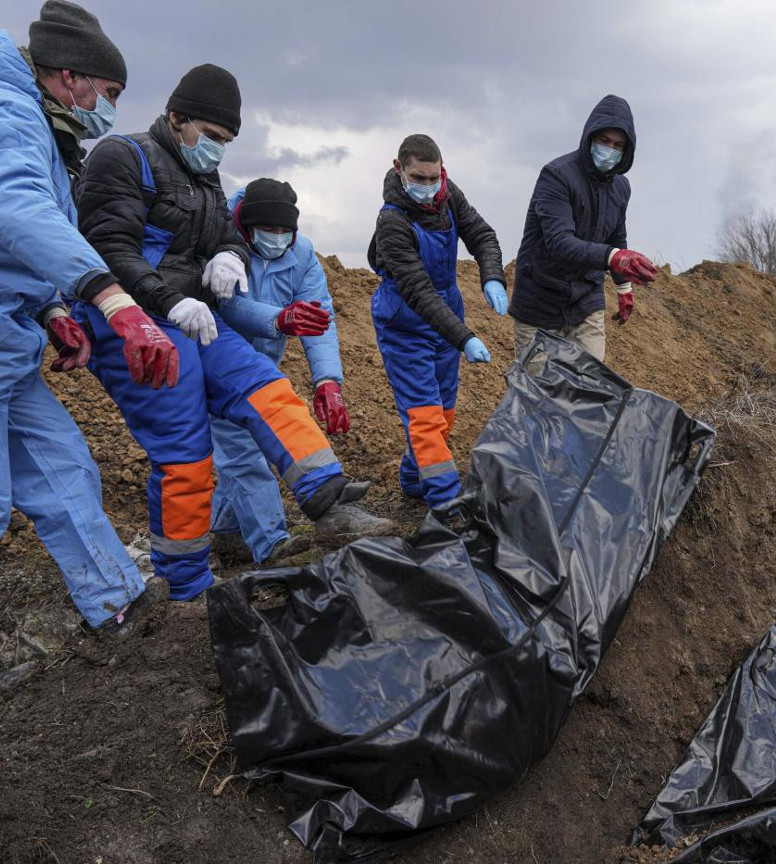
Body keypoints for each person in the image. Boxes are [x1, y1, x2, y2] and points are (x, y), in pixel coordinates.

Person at [75, 64, 393, 601]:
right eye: (215, 136)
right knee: (187, 455)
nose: (219, 150)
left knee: (267, 387)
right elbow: (108, 248)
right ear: (177, 118)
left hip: (195, 317)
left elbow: (227, 233)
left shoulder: (204, 178)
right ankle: (187, 586)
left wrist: (228, 252)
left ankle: (330, 502)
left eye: (227, 141)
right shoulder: (121, 157)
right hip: (134, 319)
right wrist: (168, 300)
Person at [0, 1, 178, 635]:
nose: (108, 108)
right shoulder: (10, 108)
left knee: (63, 466)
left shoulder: (40, 126)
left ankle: (113, 600)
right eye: (108, 91)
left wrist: (50, 310)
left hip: (10, 344)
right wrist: (112, 298)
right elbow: (16, 209)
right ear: (69, 76)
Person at [209, 178, 346, 564]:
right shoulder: (222, 243)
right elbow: (224, 304)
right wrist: (279, 320)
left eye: (286, 230)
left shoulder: (301, 254)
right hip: (219, 361)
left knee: (242, 448)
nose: (278, 238)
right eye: (269, 230)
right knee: (241, 452)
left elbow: (320, 317)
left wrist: (327, 380)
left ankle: (227, 532)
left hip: (263, 367)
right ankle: (272, 544)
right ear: (247, 224)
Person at [368, 133, 505, 507]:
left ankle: (414, 479)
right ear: (400, 170)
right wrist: (465, 338)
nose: (429, 187)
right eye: (419, 178)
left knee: (444, 411)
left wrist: (491, 274)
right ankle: (446, 505)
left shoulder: (448, 194)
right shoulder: (392, 222)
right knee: (425, 416)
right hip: (405, 323)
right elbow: (417, 291)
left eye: (434, 178)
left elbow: (481, 234)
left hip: (447, 313)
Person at [510, 94, 658, 362]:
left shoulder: (621, 187)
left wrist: (623, 287)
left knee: (590, 391)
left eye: (618, 145)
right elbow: (559, 242)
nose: (609, 149)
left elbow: (616, 236)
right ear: (590, 137)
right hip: (541, 300)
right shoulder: (557, 176)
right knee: (540, 395)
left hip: (586, 299)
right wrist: (613, 257)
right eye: (604, 141)